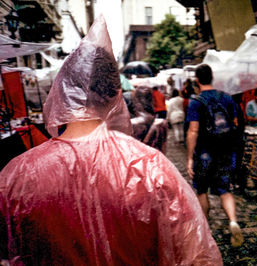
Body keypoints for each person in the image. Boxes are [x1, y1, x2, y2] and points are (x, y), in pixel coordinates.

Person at [0, 15, 222, 265]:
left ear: (62, 90)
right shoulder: (152, 169)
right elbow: (197, 255)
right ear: (117, 95)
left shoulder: (16, 176)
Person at [186, 64, 243, 247]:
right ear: (212, 78)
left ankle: (205, 229)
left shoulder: (196, 101)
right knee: (225, 190)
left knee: (202, 190)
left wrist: (189, 157)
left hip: (204, 152)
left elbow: (193, 131)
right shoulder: (226, 98)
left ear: (197, 80)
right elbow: (234, 122)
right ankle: (233, 221)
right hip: (225, 151)